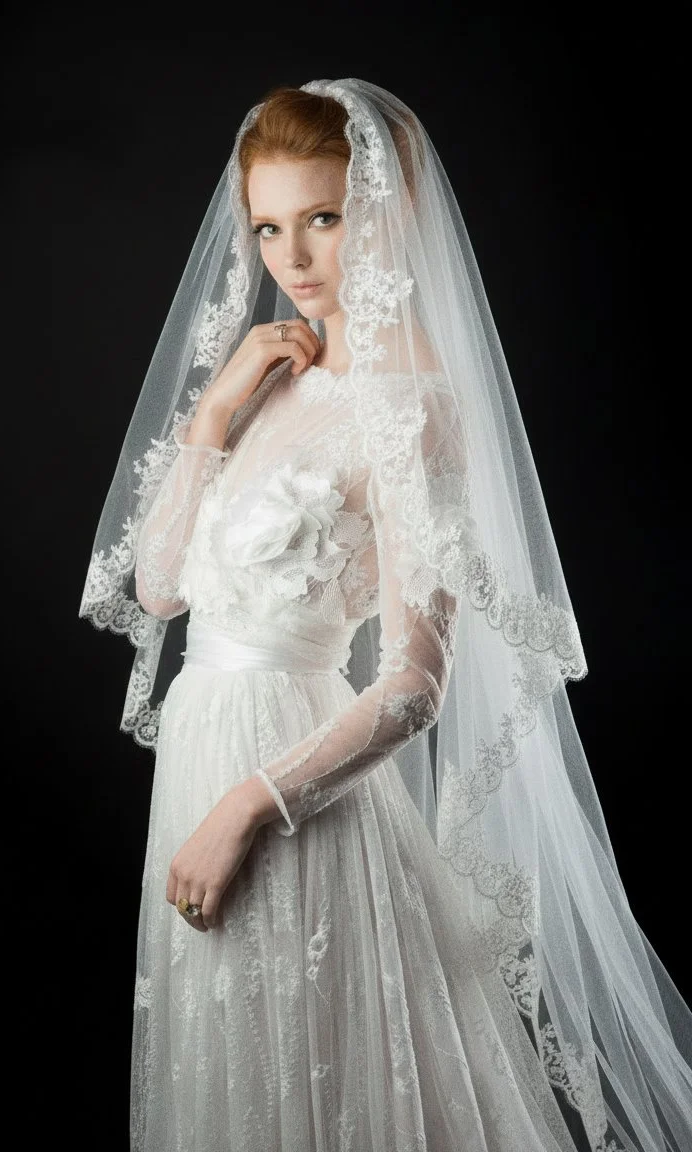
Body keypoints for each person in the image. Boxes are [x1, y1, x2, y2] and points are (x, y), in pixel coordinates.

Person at [80, 80, 692, 1152]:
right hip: (201, 756)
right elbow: (161, 589)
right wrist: (218, 410)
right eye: (269, 226)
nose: (294, 256)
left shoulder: (415, 411)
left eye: (323, 216)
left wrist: (246, 808)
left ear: (389, 208)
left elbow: (415, 684)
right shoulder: (273, 374)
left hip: (287, 791)